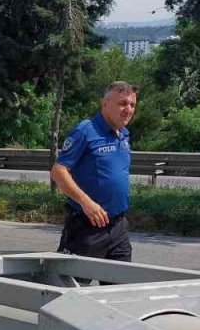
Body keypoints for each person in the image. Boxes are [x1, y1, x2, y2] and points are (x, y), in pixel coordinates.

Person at [52, 81, 137, 262]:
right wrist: (86, 202)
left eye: (132, 105)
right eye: (122, 103)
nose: (128, 109)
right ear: (105, 103)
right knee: (69, 287)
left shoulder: (123, 134)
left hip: (118, 227)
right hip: (87, 227)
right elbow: (59, 172)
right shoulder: (85, 130)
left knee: (122, 287)